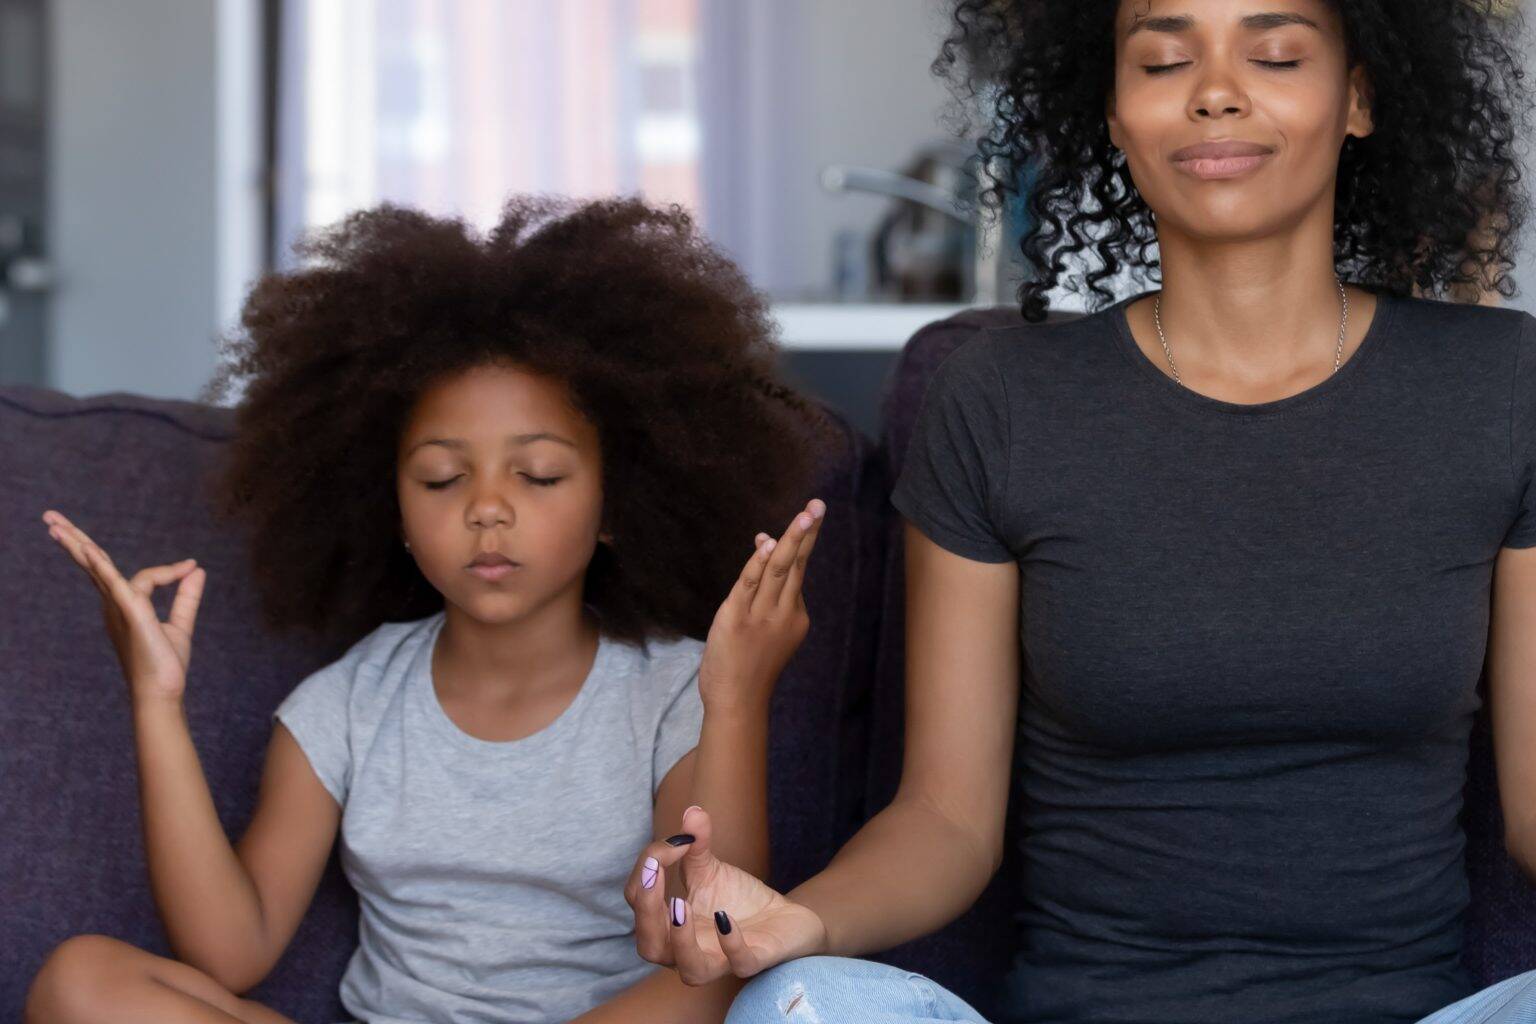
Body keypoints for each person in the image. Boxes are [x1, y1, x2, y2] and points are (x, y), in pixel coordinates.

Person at [622, 2, 1536, 1022]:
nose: (1216, 87)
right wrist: (799, 922)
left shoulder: (1500, 387)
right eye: (1163, 59)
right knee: (799, 1002)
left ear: (1359, 95)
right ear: (1111, 110)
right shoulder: (1001, 398)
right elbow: (945, 819)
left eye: (1276, 53)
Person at [24, 196, 835, 1024]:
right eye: (444, 479)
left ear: (616, 504)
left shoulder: (671, 691)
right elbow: (232, 951)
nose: (487, 508)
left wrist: (734, 696)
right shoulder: (348, 704)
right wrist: (155, 702)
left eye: (540, 475)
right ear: (395, 515)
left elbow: (709, 941)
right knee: (81, 981)